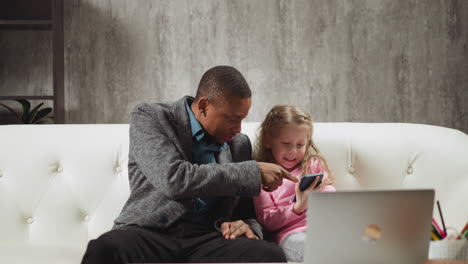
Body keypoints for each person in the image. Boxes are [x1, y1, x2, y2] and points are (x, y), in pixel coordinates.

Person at [81, 66, 298, 263]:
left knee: (269, 255)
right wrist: (253, 170)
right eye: (232, 119)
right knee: (106, 249)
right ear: (203, 106)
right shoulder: (151, 117)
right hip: (150, 233)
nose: (239, 128)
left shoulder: (238, 144)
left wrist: (247, 226)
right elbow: (173, 179)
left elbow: (246, 212)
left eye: (243, 119)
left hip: (207, 239)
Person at [253, 105, 336, 262]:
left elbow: (330, 191)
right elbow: (267, 221)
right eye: (286, 143)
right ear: (268, 140)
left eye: (300, 145)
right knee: (313, 249)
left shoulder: (312, 164)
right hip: (291, 234)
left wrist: (321, 197)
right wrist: (298, 207)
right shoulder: (263, 175)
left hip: (323, 228)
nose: (293, 151)